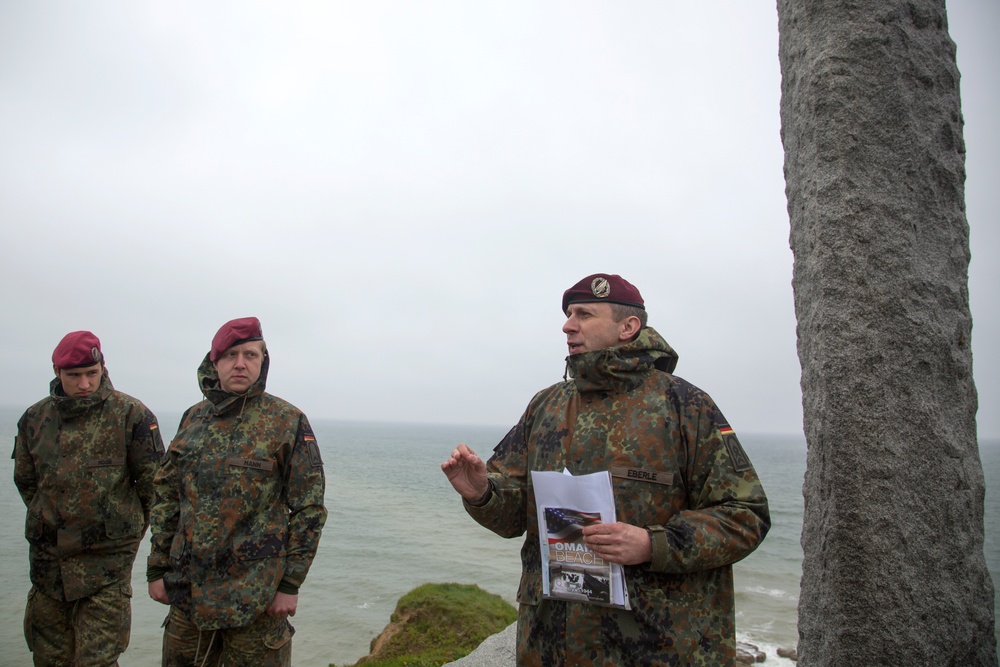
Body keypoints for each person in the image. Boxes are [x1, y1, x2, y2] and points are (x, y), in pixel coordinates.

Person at [442, 273, 770, 666]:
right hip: (550, 647)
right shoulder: (546, 406)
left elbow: (745, 515)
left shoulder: (685, 405)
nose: (568, 324)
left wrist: (653, 544)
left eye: (584, 313)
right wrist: (482, 492)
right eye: (567, 314)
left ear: (628, 327)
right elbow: (513, 518)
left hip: (655, 648)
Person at [146, 317, 327, 666]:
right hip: (188, 597)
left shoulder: (287, 421)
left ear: (263, 360)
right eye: (230, 355)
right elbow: (167, 497)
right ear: (214, 362)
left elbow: (309, 508)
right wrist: (157, 569)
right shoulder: (192, 419)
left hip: (254, 600)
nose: (241, 363)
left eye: (250, 354)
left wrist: (290, 583)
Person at [13, 330, 165, 666]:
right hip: (48, 568)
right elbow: (26, 481)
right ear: (57, 374)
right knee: (49, 658)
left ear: (103, 368)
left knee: (98, 661)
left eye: (91, 374)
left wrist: (125, 534)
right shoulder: (35, 420)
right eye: (74, 376)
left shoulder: (131, 416)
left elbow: (155, 490)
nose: (85, 384)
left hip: (106, 569)